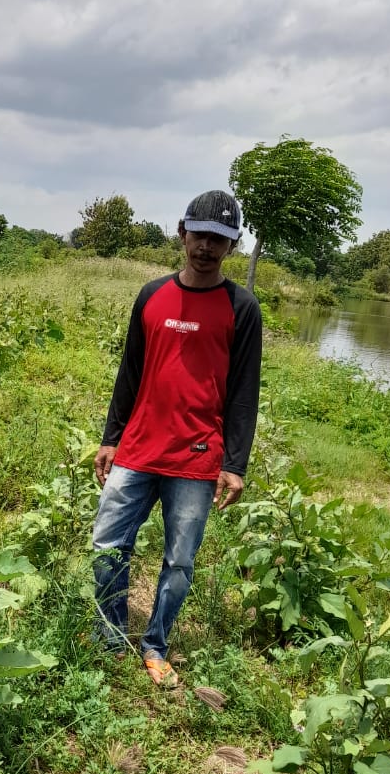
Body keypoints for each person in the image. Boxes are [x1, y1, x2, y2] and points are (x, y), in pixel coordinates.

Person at [91, 189, 262, 687]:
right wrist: (111, 437)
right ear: (181, 232)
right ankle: (109, 637)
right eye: (199, 235)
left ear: (232, 246)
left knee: (179, 561)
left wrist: (235, 462)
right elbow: (130, 372)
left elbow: (243, 391)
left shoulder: (241, 307)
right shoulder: (151, 295)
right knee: (107, 546)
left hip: (197, 457)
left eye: (219, 239)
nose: (206, 247)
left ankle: (155, 644)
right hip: (139, 448)